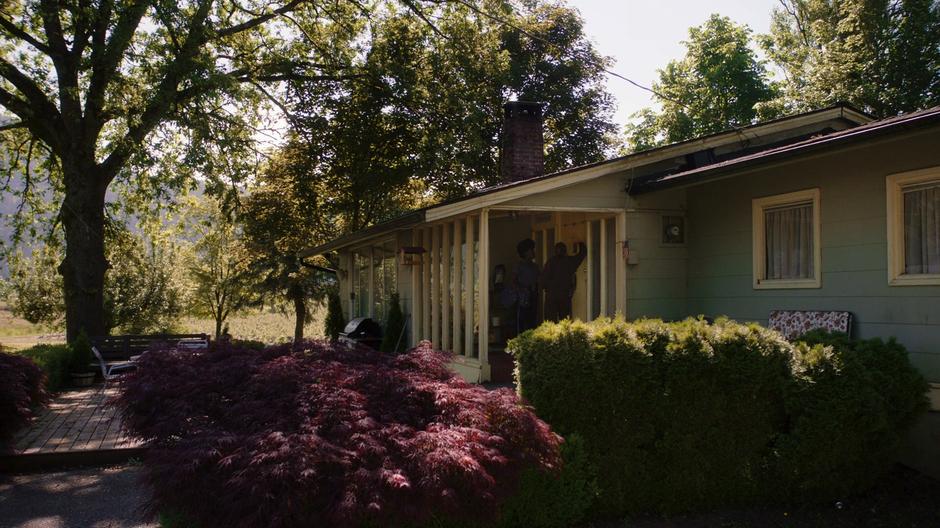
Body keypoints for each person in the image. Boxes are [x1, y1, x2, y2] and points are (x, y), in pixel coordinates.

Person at [541, 241, 586, 322]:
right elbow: (581, 255)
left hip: (552, 295)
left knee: (550, 320)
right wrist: (580, 243)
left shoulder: (550, 262)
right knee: (564, 320)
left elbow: (543, 280)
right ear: (565, 251)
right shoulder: (569, 261)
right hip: (563, 295)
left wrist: (547, 288)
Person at [514, 238, 540, 333]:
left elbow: (539, 279)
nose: (533, 252)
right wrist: (523, 290)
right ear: (525, 253)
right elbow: (514, 281)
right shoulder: (519, 266)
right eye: (531, 250)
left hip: (533, 296)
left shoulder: (535, 267)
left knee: (532, 320)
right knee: (522, 321)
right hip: (522, 298)